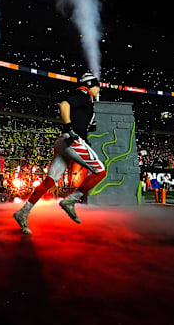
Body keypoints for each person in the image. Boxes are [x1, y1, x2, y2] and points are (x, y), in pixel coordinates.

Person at [13, 72, 106, 235]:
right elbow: (64, 105)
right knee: (100, 172)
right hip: (72, 142)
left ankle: (23, 212)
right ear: (91, 85)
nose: (99, 90)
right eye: (97, 86)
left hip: (63, 142)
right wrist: (70, 127)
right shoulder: (84, 93)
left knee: (49, 181)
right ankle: (70, 201)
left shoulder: (85, 99)